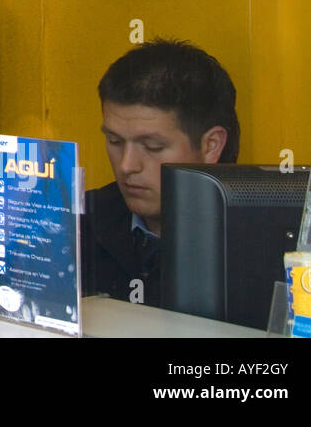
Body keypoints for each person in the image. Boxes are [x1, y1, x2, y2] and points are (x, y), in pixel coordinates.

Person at [83, 39, 239, 307]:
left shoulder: (263, 249)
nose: (126, 165)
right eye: (115, 141)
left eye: (152, 147)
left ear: (210, 145)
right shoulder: (79, 223)